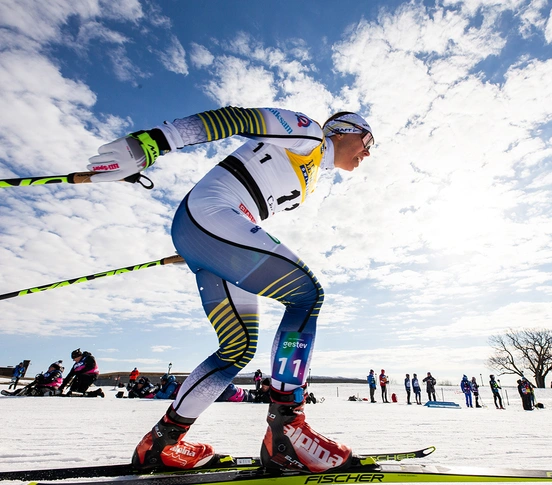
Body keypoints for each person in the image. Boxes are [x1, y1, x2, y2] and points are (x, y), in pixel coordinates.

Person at [88, 107, 374, 471]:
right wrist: (153, 142)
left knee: (237, 348)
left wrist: (208, 243)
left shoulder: (312, 171)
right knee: (306, 295)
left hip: (211, 230)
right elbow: (236, 118)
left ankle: (162, 442)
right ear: (343, 130)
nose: (367, 151)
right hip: (211, 219)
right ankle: (287, 430)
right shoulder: (309, 133)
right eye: (367, 140)